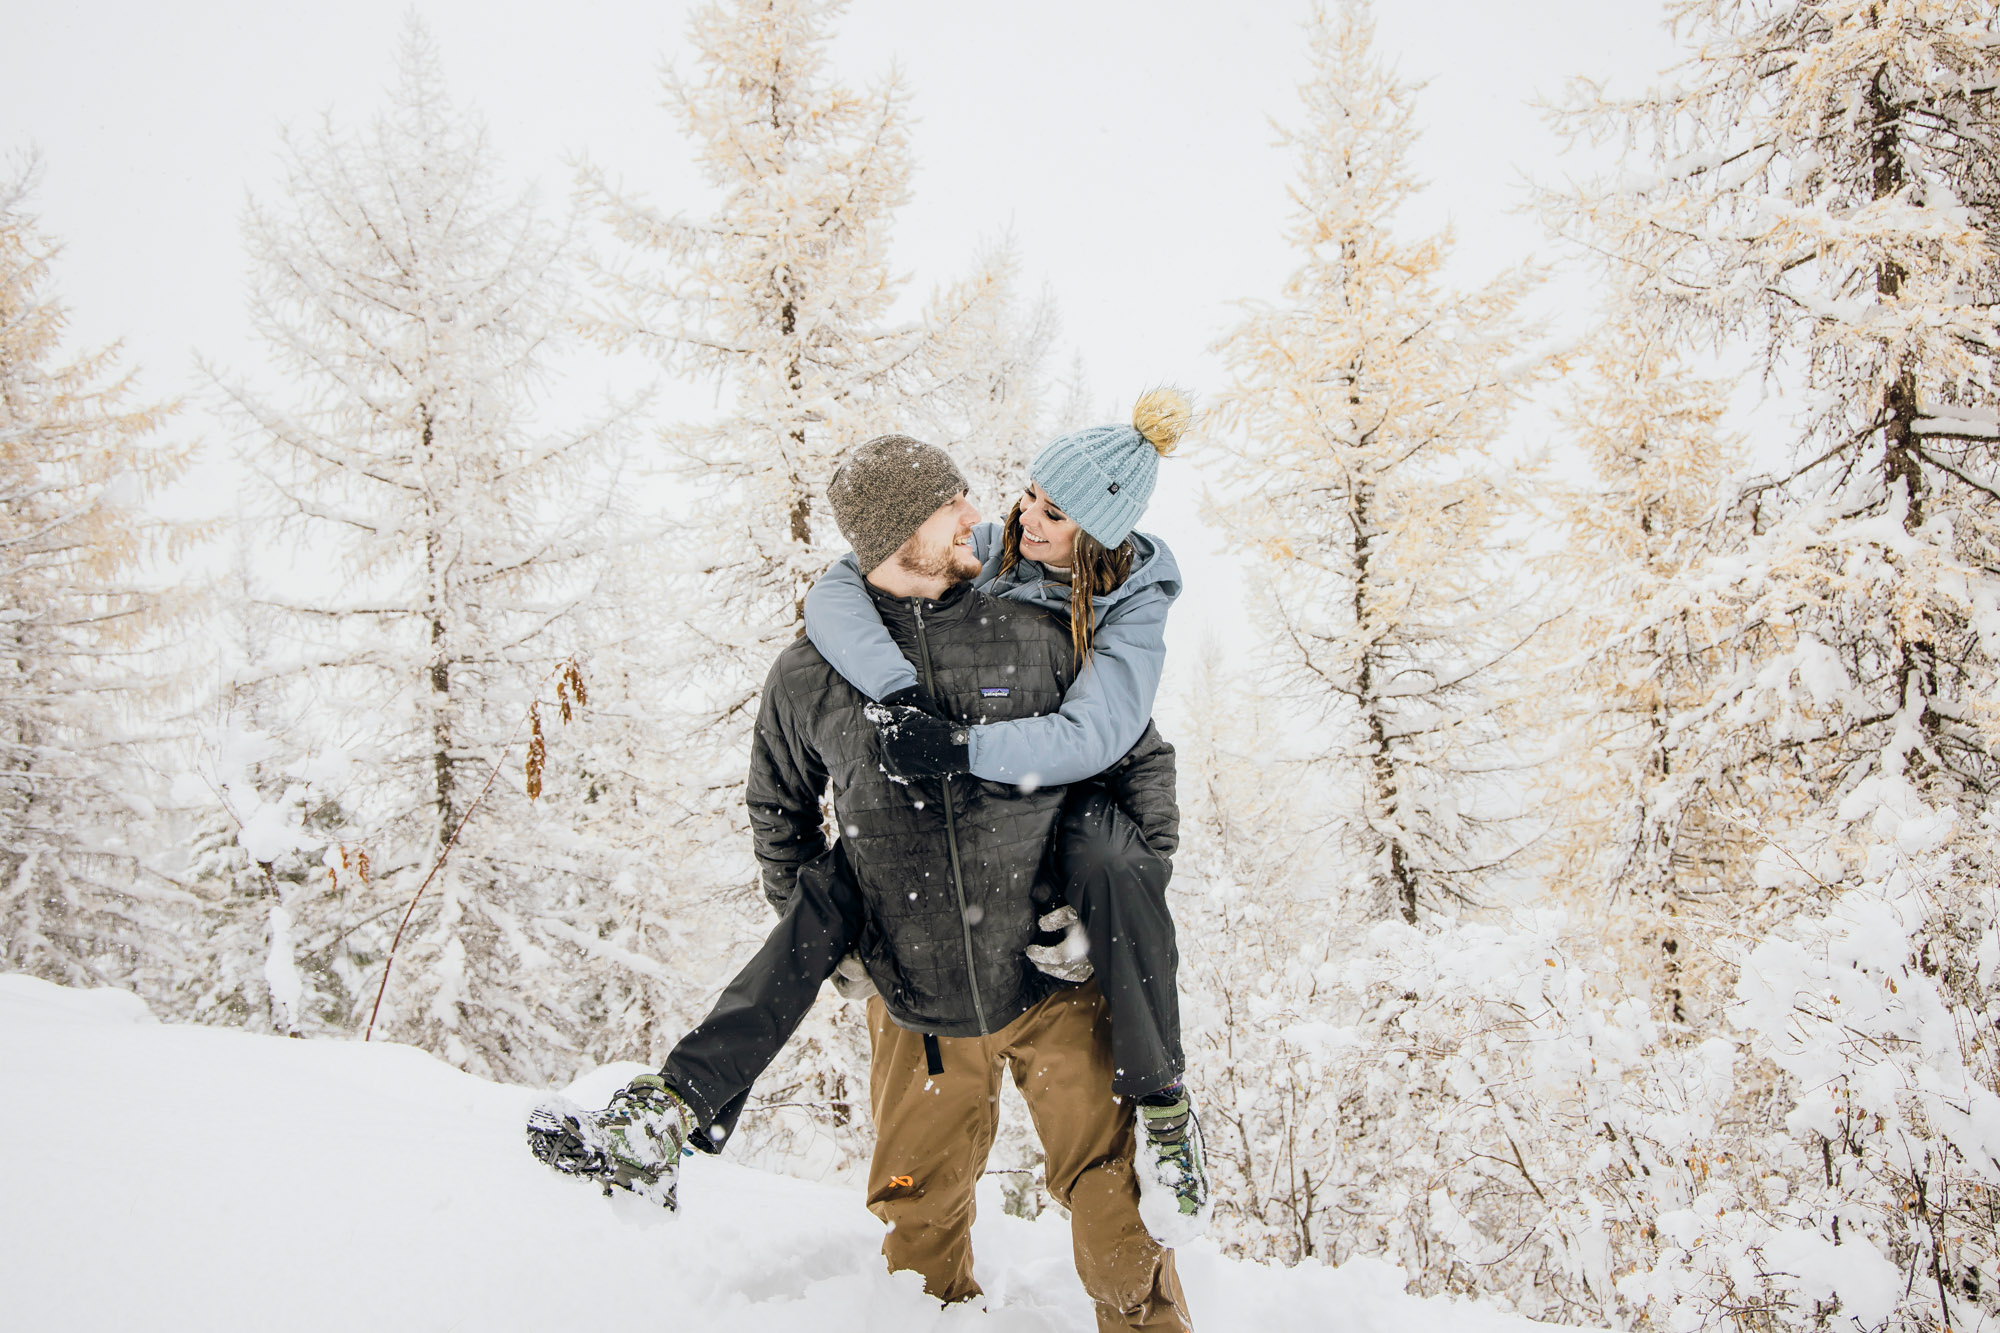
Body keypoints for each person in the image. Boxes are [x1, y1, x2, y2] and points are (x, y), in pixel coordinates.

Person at [529, 434, 1195, 1331]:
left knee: (1119, 1223)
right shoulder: (812, 673)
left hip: (1049, 987)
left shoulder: (1033, 634)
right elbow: (779, 813)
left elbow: (1138, 762)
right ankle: (669, 1110)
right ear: (895, 536)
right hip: (915, 1009)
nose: (982, 515)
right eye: (950, 504)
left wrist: (1101, 913)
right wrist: (846, 954)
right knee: (918, 1237)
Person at [802, 389, 1202, 1227]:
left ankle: (1164, 1104)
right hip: (994, 812)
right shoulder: (1006, 550)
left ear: (1097, 532)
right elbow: (840, 585)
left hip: (1081, 791)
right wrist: (900, 692)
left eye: (1053, 512)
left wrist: (959, 749)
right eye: (1028, 492)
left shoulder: (1135, 604)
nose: (1024, 516)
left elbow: (1095, 737)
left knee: (1116, 866)